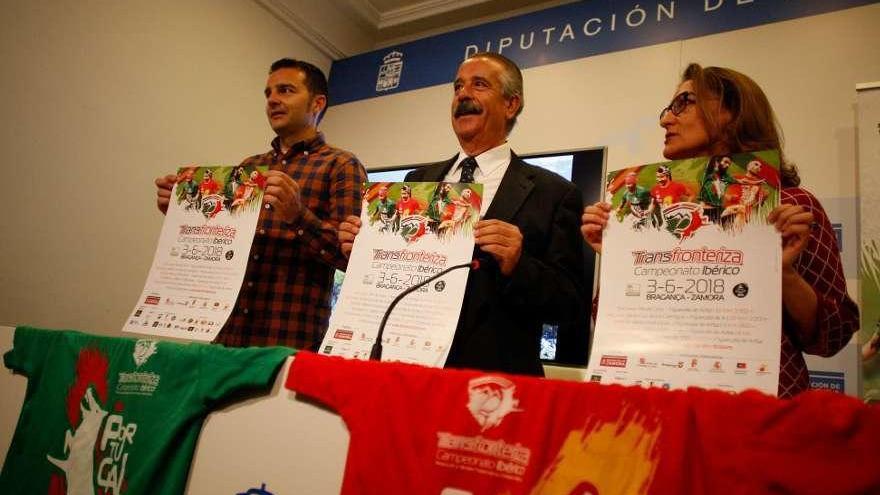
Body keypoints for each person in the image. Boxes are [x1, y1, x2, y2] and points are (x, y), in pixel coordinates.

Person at [581, 63, 858, 398]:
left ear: (731, 111)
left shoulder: (791, 206)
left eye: (684, 103)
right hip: (661, 411)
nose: (665, 119)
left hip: (757, 419)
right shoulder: (652, 207)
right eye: (668, 108)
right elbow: (612, 328)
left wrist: (783, 274)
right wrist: (621, 260)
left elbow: (834, 336)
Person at [339, 52, 586, 376]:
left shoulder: (555, 192)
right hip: (407, 371)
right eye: (457, 87)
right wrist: (362, 252)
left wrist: (518, 264)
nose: (463, 95)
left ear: (511, 104)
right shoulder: (417, 181)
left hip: (496, 384)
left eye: (479, 85)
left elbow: (569, 306)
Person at [155, 58, 367, 350]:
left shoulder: (342, 165)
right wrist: (183, 216)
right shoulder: (249, 167)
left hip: (289, 340)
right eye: (268, 93)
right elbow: (219, 245)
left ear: (317, 104)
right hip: (226, 335)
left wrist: (298, 216)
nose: (273, 100)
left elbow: (352, 258)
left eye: (286, 90)